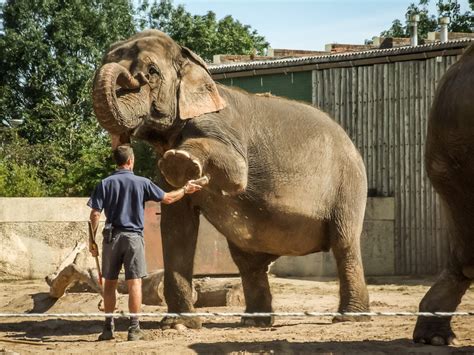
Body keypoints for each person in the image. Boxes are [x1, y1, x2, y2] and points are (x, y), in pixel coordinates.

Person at [87, 144, 202, 341]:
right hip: (133, 238)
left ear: (118, 162)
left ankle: (108, 328)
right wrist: (185, 189)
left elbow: (95, 214)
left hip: (111, 237)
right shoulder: (142, 182)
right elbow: (167, 198)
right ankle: (134, 328)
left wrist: (92, 240)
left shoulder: (104, 183)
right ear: (131, 161)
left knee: (109, 285)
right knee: (135, 284)